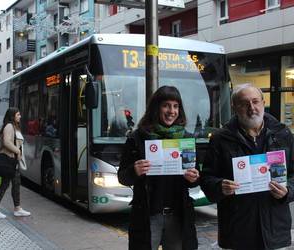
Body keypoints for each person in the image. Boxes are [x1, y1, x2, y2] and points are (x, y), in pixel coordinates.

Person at [200, 83, 294, 250]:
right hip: (238, 230)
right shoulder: (220, 139)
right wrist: (219, 185)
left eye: (255, 101)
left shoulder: (283, 134)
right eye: (244, 104)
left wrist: (288, 191)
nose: (252, 108)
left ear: (263, 103)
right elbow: (206, 178)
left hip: (275, 230)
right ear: (234, 107)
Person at [118, 86, 199, 250]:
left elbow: (194, 178)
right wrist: (134, 170)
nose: (171, 111)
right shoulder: (137, 138)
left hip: (178, 215)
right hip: (148, 216)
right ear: (156, 108)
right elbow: (122, 177)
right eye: (166, 105)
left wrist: (195, 177)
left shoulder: (186, 139)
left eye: (176, 106)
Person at [0, 107, 31, 219]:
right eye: (18, 115)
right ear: (12, 116)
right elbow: (6, 142)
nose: (20, 116)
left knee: (16, 184)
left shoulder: (14, 127)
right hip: (8, 160)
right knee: (5, 185)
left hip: (13, 161)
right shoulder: (9, 126)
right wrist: (17, 151)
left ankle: (17, 208)